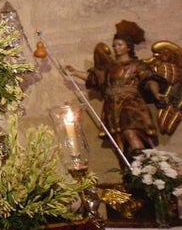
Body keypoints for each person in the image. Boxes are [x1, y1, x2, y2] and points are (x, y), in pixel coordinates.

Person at [69, 20, 168, 158]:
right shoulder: (110, 67)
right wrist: (75, 72)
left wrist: (156, 94)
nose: (116, 48)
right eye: (114, 45)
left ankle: (145, 166)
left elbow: (150, 80)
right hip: (114, 106)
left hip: (131, 104)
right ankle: (136, 170)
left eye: (120, 45)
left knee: (130, 132)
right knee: (122, 143)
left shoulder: (137, 65)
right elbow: (95, 78)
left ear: (128, 47)